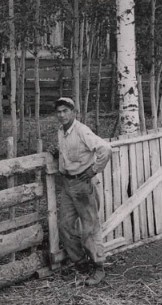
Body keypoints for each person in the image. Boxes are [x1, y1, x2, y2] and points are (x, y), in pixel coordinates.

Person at [48, 97, 112, 286]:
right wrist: (56, 152)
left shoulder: (82, 130)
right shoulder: (62, 132)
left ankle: (99, 267)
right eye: (58, 112)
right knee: (66, 225)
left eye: (65, 111)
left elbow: (105, 149)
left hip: (83, 185)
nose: (61, 115)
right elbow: (67, 152)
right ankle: (81, 263)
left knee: (90, 227)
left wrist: (93, 170)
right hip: (67, 185)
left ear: (74, 112)